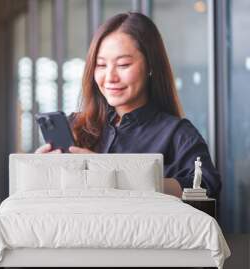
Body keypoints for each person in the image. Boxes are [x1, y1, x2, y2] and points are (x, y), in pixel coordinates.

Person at [35, 12, 221, 198]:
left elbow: (206, 188)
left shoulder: (177, 134)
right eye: (101, 65)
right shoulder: (75, 126)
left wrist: (109, 175)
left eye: (123, 65)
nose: (110, 78)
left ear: (150, 66)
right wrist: (41, 173)